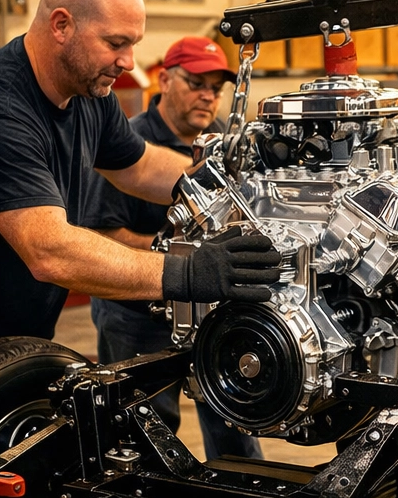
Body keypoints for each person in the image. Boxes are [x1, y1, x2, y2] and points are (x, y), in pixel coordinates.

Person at [0, 0, 280, 343]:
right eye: (115, 43)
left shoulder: (89, 91)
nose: (128, 62)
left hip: (32, 331)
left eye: (133, 45)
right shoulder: (2, 107)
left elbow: (140, 167)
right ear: (61, 25)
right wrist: (188, 272)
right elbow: (48, 249)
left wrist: (238, 188)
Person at [83, 36, 263, 460]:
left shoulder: (223, 144)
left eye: (216, 88)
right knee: (145, 432)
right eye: (197, 82)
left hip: (211, 307)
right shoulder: (126, 144)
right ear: (164, 80)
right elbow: (101, 238)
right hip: (138, 315)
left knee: (234, 416)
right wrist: (184, 259)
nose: (208, 96)